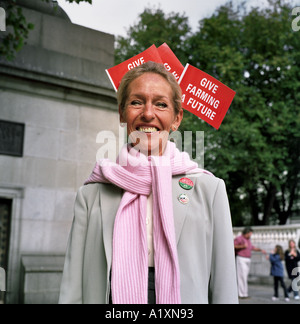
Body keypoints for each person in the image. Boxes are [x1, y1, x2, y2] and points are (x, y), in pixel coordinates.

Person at [59, 61, 238, 304]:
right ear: (122, 113)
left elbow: (224, 288)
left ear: (176, 118)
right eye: (136, 102)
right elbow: (73, 287)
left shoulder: (210, 190)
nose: (148, 113)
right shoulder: (92, 194)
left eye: (161, 104)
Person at [234, 227, 265, 299]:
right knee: (242, 276)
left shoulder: (248, 240)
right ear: (246, 232)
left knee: (245, 277)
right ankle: (241, 294)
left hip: (247, 259)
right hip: (241, 258)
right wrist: (242, 246)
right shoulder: (239, 238)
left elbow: (252, 247)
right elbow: (233, 245)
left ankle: (245, 293)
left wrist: (260, 249)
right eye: (250, 233)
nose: (250, 235)